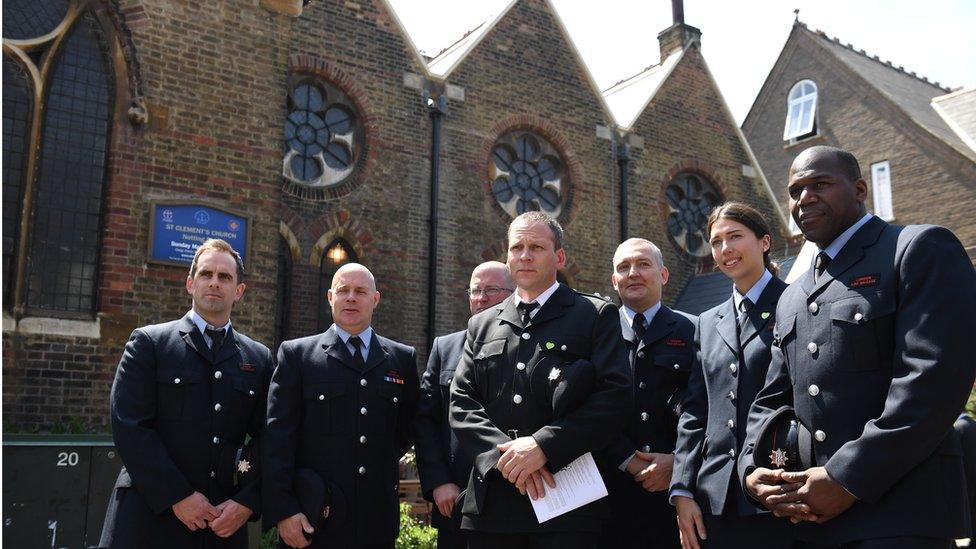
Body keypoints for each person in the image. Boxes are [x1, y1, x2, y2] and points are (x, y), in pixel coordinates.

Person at [740, 145, 976, 548]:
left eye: (820, 184)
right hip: (812, 523)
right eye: (795, 191)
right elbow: (773, 396)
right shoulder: (792, 295)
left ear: (860, 189)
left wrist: (847, 477)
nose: (804, 198)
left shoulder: (916, 248)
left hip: (900, 515)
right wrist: (752, 468)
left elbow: (932, 381)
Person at [449, 211, 632, 549]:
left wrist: (543, 446)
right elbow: (462, 401)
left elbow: (615, 396)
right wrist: (506, 459)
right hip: (493, 505)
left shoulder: (593, 315)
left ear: (559, 256)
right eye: (517, 247)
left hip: (566, 505)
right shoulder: (483, 323)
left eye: (536, 246)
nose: (525, 255)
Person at [99, 239, 273, 548]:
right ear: (190, 284)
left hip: (221, 524)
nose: (214, 283)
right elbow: (129, 425)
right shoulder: (150, 344)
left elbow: (271, 437)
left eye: (225, 277)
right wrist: (177, 495)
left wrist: (247, 501)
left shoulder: (257, 359)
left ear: (239, 291)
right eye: (206, 274)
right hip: (150, 519)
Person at [263, 263, 419, 549]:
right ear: (329, 297)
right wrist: (284, 510)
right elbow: (278, 439)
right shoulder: (298, 356)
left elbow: (405, 430)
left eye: (360, 291)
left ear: (375, 300)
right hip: (314, 517)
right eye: (343, 290)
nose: (351, 297)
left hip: (375, 519)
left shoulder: (401, 359)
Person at [670, 203, 793, 549]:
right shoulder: (707, 322)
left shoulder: (795, 303)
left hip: (778, 489)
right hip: (716, 498)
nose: (725, 250)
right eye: (716, 241)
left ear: (765, 241)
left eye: (735, 237)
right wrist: (682, 489)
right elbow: (696, 411)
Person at [598, 238, 695, 549]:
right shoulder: (597, 334)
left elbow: (707, 407)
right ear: (614, 281)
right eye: (623, 267)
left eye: (643, 264)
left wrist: (678, 463)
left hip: (675, 495)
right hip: (609, 493)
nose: (633, 273)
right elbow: (588, 406)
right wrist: (628, 460)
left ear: (663, 275)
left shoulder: (694, 330)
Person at [415, 261, 515, 549]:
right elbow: (425, 420)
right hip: (456, 496)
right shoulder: (444, 348)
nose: (481, 297)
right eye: (476, 290)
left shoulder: (529, 344)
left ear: (513, 293)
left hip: (514, 494)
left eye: (492, 289)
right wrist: (438, 482)